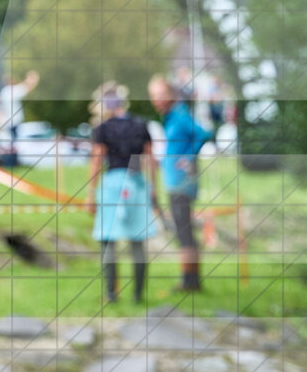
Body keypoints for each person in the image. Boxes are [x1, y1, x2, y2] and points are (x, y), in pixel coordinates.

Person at [87, 82, 158, 303]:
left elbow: (97, 160)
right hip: (136, 184)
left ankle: (111, 294)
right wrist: (152, 189)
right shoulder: (140, 125)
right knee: (138, 241)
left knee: (108, 240)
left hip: (112, 185)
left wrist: (90, 192)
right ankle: (137, 295)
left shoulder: (103, 128)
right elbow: (151, 160)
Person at [149, 74, 213, 292]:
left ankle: (189, 281)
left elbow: (204, 133)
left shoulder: (180, 115)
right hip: (175, 182)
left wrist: (189, 157)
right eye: (153, 96)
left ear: (170, 95)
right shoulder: (171, 118)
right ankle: (191, 280)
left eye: (159, 95)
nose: (155, 100)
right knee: (183, 232)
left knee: (183, 232)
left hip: (181, 184)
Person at [0, 69, 39, 139]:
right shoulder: (11, 91)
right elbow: (26, 88)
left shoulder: (4, 91)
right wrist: (32, 78)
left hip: (8, 122)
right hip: (14, 122)